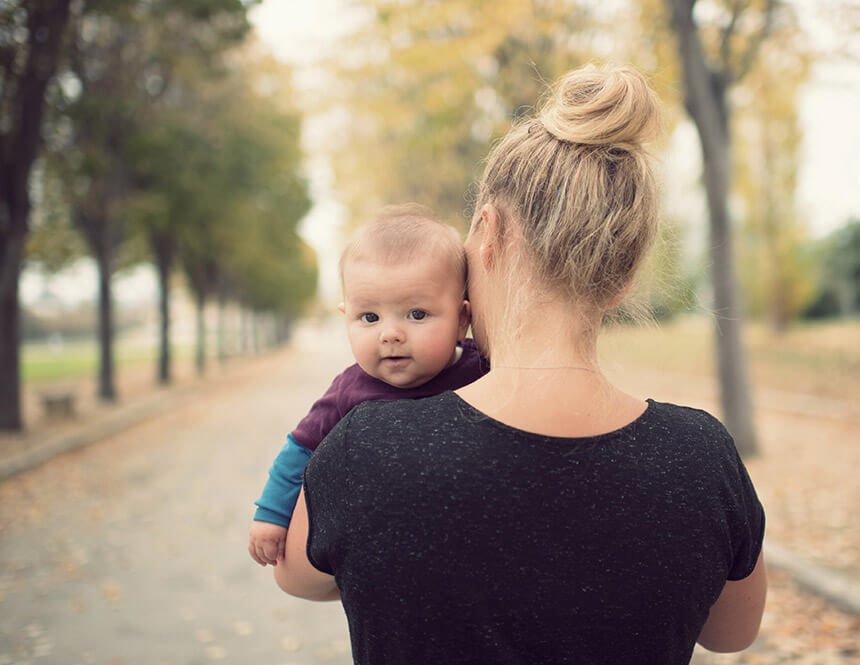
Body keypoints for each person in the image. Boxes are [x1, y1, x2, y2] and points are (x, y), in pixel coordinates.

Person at [275, 64, 767, 664]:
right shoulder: (701, 458)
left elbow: (297, 576)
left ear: (486, 233)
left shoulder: (366, 448)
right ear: (621, 277)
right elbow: (731, 634)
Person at [248, 208, 488, 567]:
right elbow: (300, 448)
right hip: (388, 547)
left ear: (461, 320)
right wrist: (271, 515)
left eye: (417, 314)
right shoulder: (350, 390)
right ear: (347, 317)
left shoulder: (483, 369)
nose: (390, 334)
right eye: (370, 318)